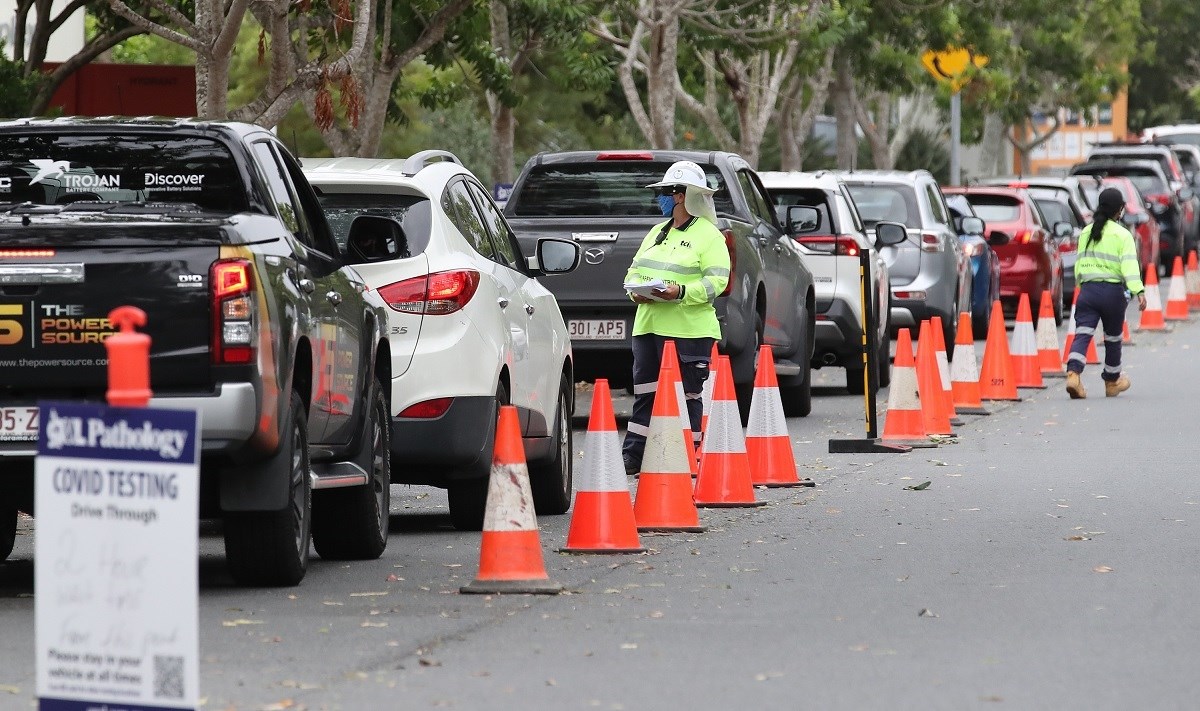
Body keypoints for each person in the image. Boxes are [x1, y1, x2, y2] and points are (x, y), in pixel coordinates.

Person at [621, 160, 730, 475]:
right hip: (649, 326)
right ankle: (635, 457)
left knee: (687, 396)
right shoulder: (657, 232)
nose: (661, 199)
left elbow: (717, 282)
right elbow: (634, 271)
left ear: (682, 195)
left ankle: (687, 456)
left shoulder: (710, 236)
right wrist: (636, 292)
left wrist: (680, 292)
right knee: (645, 394)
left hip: (689, 330)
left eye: (666, 192)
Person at [1065, 186, 1147, 399]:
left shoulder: (1086, 232)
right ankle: (1112, 382)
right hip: (1112, 293)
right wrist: (1139, 291)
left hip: (1088, 291)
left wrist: (1080, 287)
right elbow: (1129, 266)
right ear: (1119, 210)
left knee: (1082, 333)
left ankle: (1073, 373)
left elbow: (1079, 264)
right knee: (1113, 338)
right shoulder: (1123, 235)